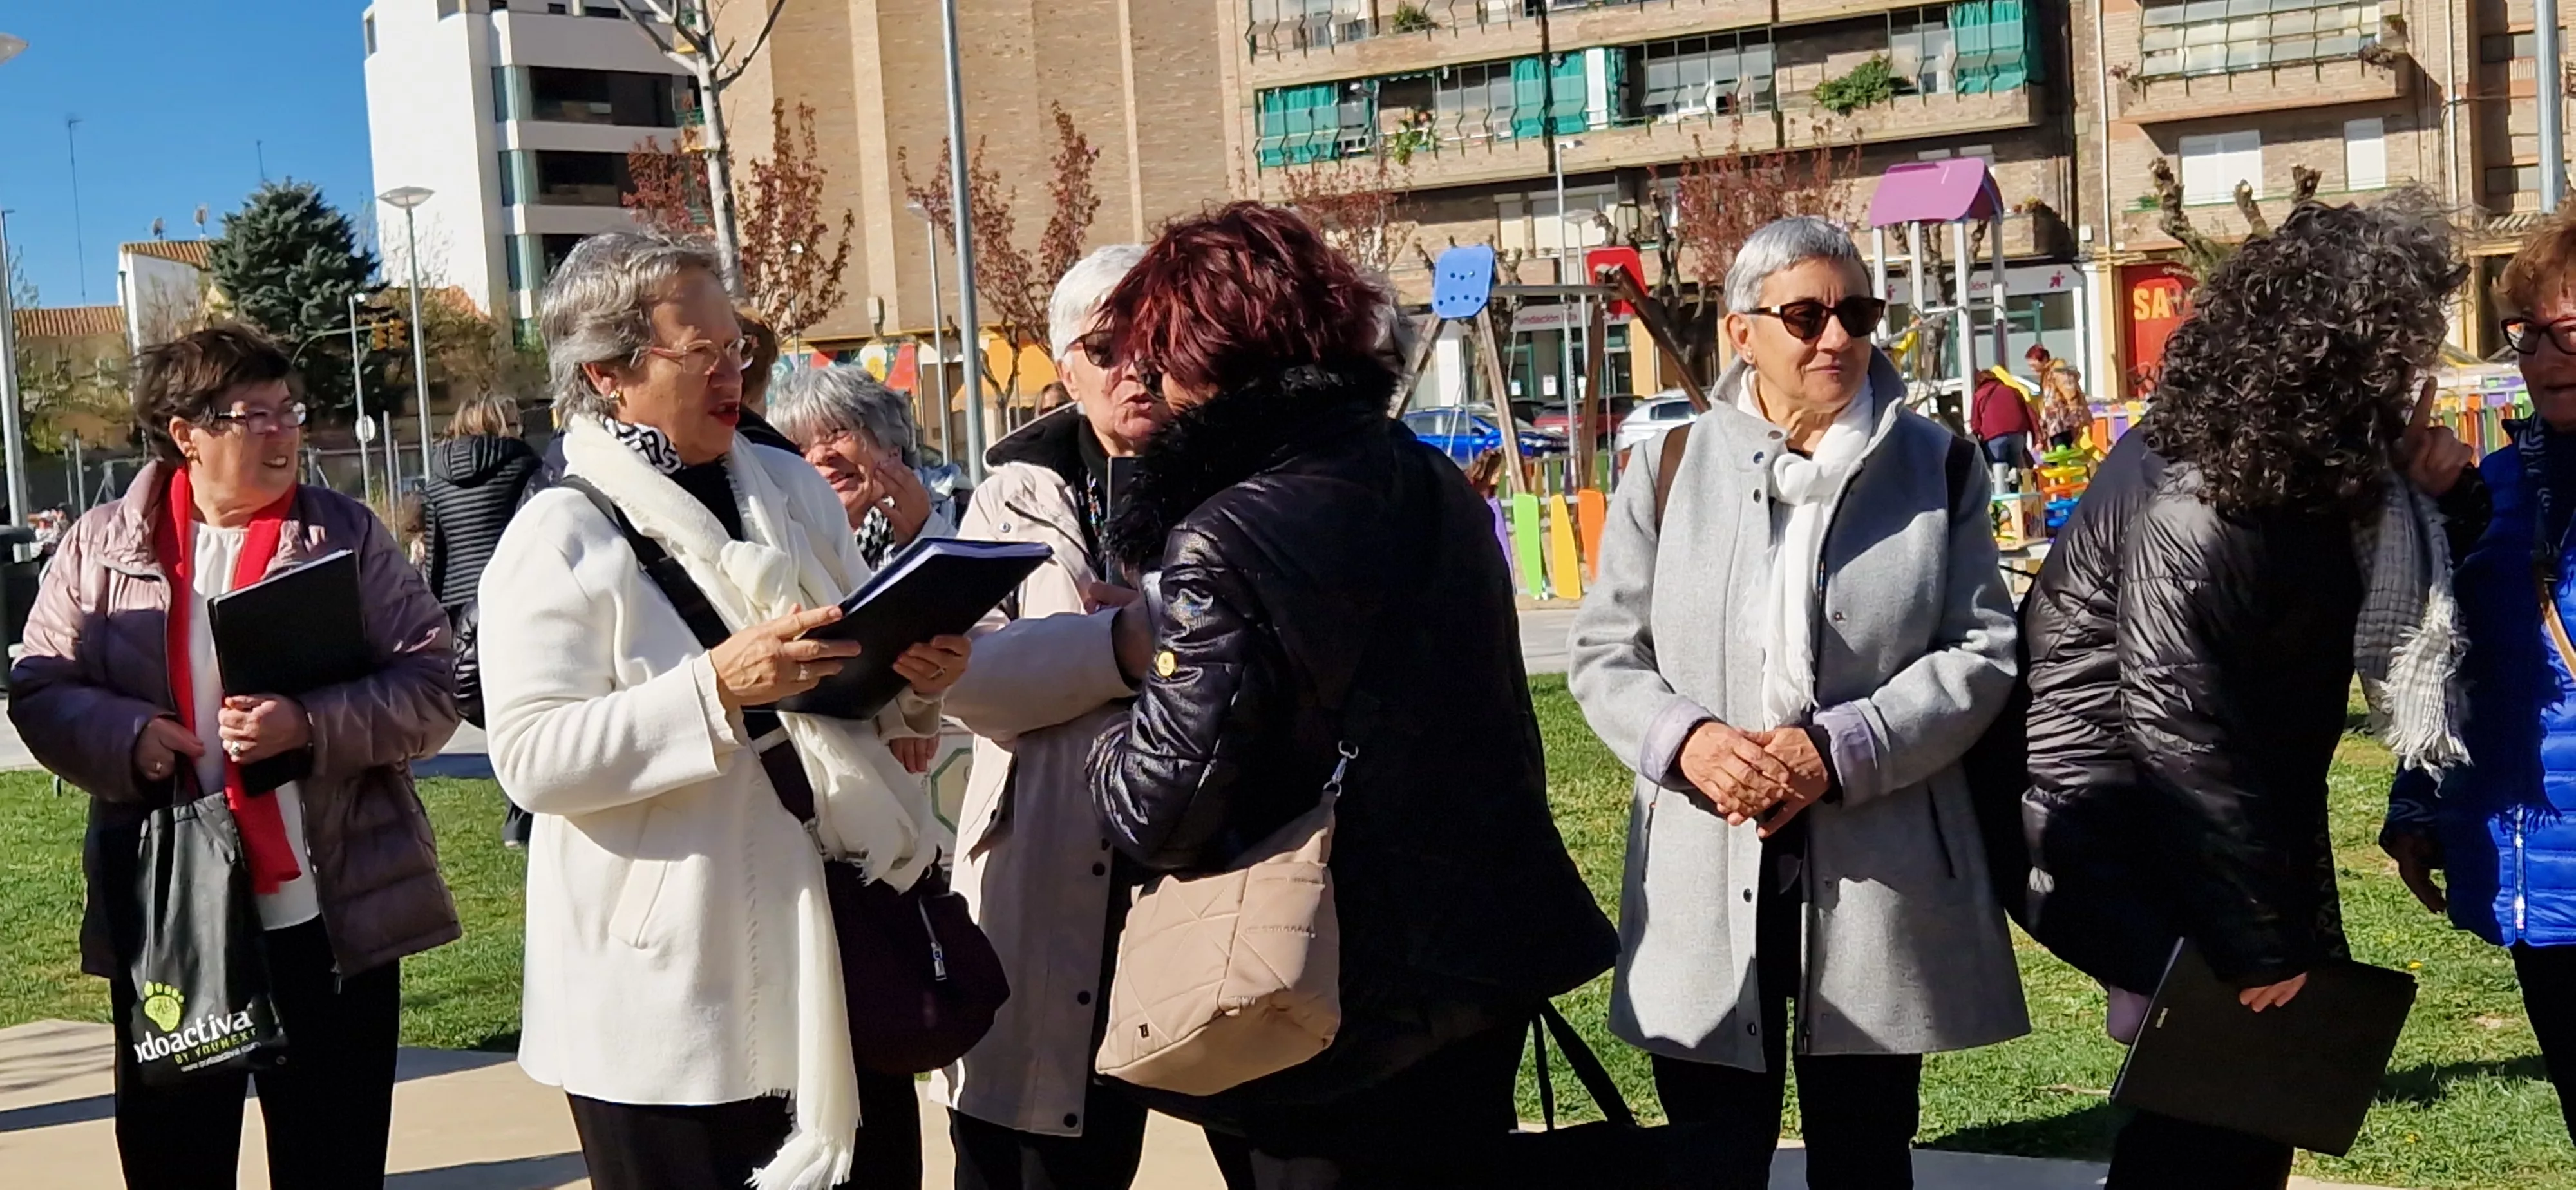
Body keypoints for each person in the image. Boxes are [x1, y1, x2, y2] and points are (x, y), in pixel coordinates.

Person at [1086, 203, 1617, 1187]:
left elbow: (1162, 808)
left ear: (1205, 356)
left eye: (1158, 358)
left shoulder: (1222, 536)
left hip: (1315, 988)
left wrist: (1108, 736)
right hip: (1478, 953)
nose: (1151, 384)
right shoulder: (1433, 482)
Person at [478, 230, 974, 1190]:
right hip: (668, 1006)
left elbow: (851, 675)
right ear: (608, 373)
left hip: (837, 960)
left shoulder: (787, 486)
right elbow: (533, 758)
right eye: (699, 352)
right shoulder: (559, 532)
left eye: (735, 348)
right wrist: (713, 691)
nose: (730, 374)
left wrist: (916, 674)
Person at [2015, 196, 2474, 1189]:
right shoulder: (2202, 489)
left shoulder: (2298, 456)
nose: (2419, 370)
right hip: (2130, 822)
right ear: (2337, 351)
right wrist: (2258, 939)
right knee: (2212, 1116)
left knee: (2236, 1111)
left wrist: (2451, 499)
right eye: (2402, 346)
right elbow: (2179, 721)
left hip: (2215, 818)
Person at [1567, 216, 2026, 1189]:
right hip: (1705, 848)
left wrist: (1842, 747)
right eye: (1807, 317)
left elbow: (1982, 651)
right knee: (1711, 1150)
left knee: (1865, 1150)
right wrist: (1691, 743)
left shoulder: (1939, 465)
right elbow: (1607, 653)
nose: (1838, 338)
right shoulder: (1667, 466)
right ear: (1741, 333)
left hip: (1874, 862)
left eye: (1857, 313)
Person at [10, 324, 462, 1189]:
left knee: (332, 1158)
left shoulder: (343, 535)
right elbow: (40, 686)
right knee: (175, 1158)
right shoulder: (102, 544)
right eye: (257, 415)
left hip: (328, 912)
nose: (284, 431)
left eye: (289, 410)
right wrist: (129, 736)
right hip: (175, 917)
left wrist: (310, 725)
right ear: (187, 433)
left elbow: (433, 685)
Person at [929, 243, 1189, 1190]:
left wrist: (1130, 630)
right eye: (1107, 348)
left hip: (1201, 873)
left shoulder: (1238, 486)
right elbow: (966, 679)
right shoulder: (1013, 498)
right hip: (1043, 869)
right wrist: (1122, 648)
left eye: (1158, 341)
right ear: (1065, 368)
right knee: (1036, 1148)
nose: (1138, 368)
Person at [2382, 204, 2576, 1146]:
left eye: (2569, 330)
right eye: (2526, 333)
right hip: (2539, 873)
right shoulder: (2489, 488)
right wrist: (2418, 800)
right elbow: (2444, 659)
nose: (2543, 355)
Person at [770, 366, 958, 571]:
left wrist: (923, 535)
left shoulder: (958, 512)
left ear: (892, 444)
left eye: (837, 432)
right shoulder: (791, 542)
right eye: (800, 447)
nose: (820, 455)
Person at [1971, 361, 2038, 493]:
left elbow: (1975, 424)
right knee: (2014, 465)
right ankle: (2015, 492)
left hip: (1994, 436)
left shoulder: (1980, 394)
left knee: (1999, 468)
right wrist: (2036, 437)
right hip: (2018, 434)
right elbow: (2030, 414)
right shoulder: (2012, 390)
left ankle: (2002, 498)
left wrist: (1977, 435)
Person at [2029, 345, 2089, 451]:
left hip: (2062, 423)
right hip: (2054, 422)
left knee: (2063, 450)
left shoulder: (2058, 372)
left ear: (2044, 360)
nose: (2032, 369)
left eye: (2034, 365)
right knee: (2058, 450)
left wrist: (2075, 415)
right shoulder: (2046, 374)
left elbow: (2071, 393)